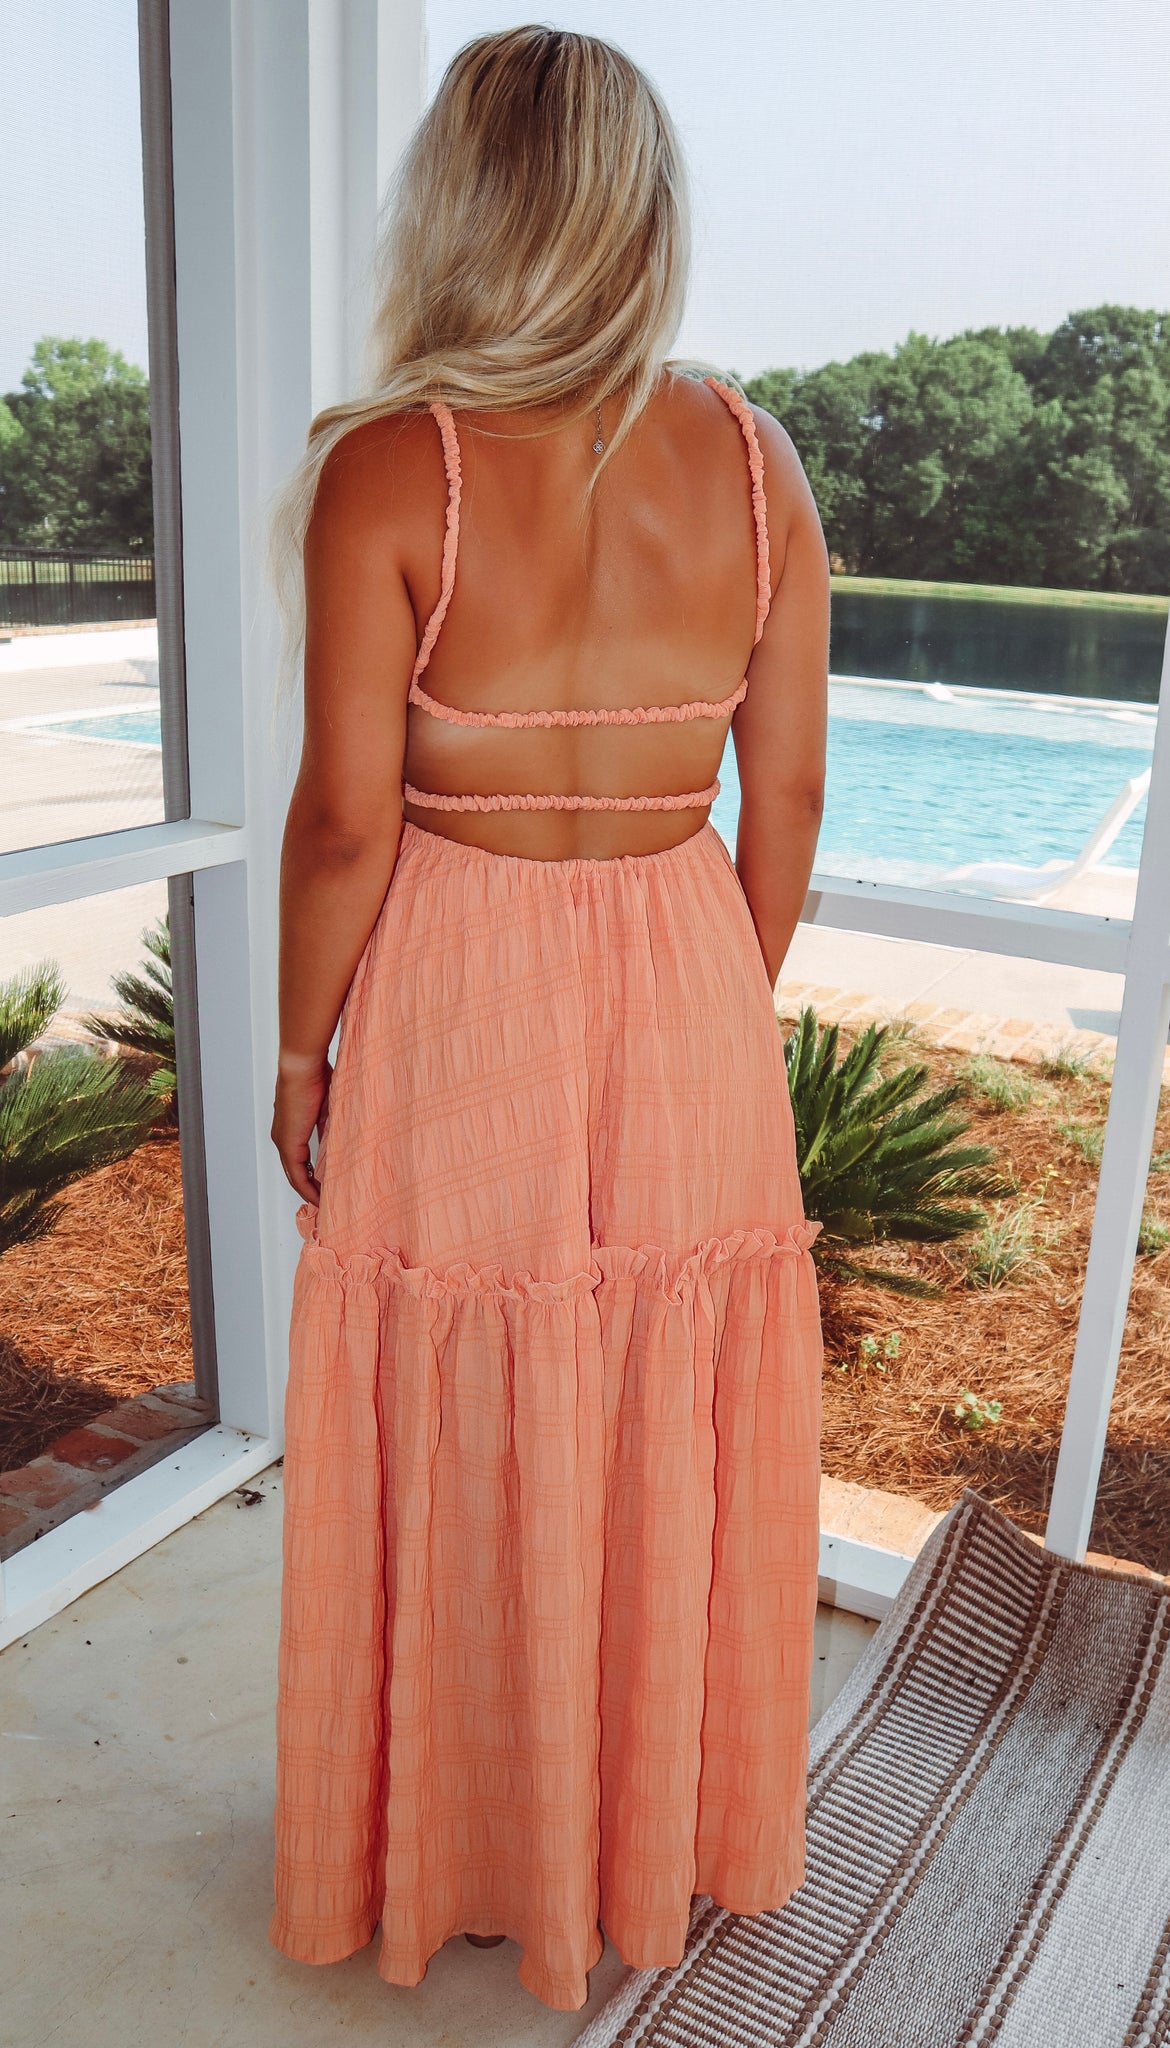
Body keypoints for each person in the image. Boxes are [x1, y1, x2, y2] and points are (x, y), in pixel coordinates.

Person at [267, 24, 828, 2016]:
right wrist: (711, 1016)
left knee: (461, 1399)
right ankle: (641, 1834)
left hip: (463, 968)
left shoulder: (389, 465)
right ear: (638, 213)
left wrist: (299, 1047)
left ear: (460, 207)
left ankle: (468, 1841)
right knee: (653, 1405)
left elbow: (346, 820)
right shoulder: (754, 461)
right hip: (686, 953)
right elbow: (791, 795)